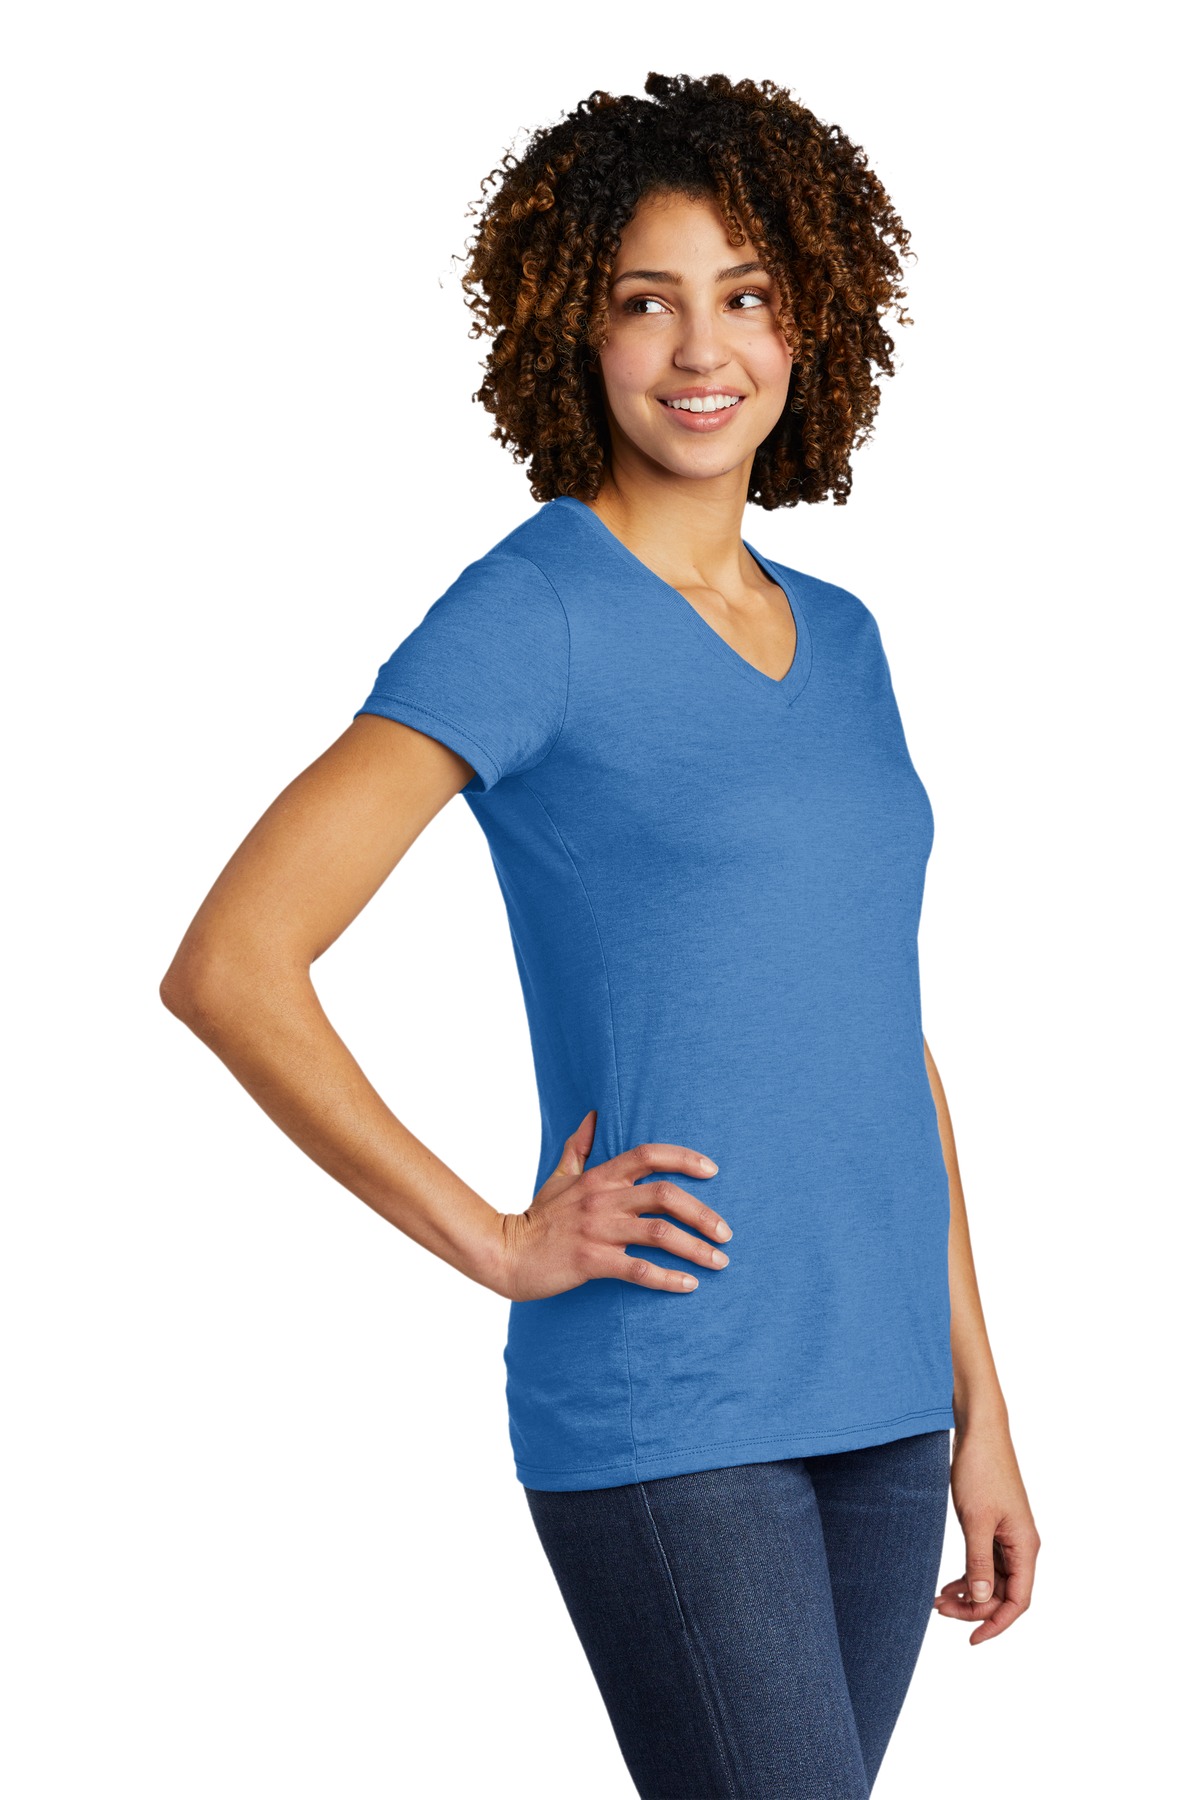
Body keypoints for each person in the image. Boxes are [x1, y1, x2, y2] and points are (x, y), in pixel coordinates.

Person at [161, 70, 1040, 1800]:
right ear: (577, 323)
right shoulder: (535, 611)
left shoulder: (847, 638)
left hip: (885, 1403)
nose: (701, 350)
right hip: (674, 1390)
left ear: (811, 320)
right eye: (648, 300)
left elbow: (879, 1035)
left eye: (747, 296)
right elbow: (232, 962)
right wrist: (497, 1242)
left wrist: (983, 1408)